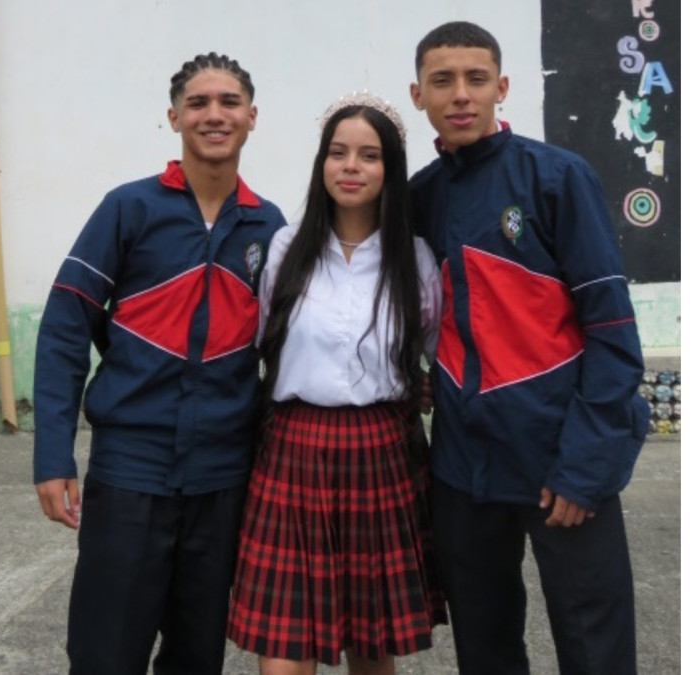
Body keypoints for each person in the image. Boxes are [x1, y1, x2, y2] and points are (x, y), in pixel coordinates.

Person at [406, 21, 652, 675]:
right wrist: (417, 378)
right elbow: (399, 309)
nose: (460, 94)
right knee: (485, 649)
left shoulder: (559, 176)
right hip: (463, 472)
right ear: (418, 94)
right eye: (443, 81)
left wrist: (586, 464)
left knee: (594, 648)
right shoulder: (418, 198)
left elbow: (613, 335)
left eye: (476, 79)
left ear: (502, 87)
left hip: (560, 462)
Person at [32, 52, 286, 674]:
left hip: (224, 476)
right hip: (130, 471)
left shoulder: (268, 226)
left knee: (198, 653)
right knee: (104, 651)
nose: (214, 115)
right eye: (198, 103)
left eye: (228, 102)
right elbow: (67, 327)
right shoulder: (129, 209)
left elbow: (286, 346)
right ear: (173, 116)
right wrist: (53, 455)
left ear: (252, 117)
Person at [226, 92, 446, 675]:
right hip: (295, 452)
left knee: (371, 645)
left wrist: (420, 382)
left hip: (383, 452)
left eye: (369, 156)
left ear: (390, 171)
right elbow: (256, 340)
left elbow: (433, 349)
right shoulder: (285, 248)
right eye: (338, 152)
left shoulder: (415, 259)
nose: (351, 166)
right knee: (285, 652)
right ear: (321, 163)